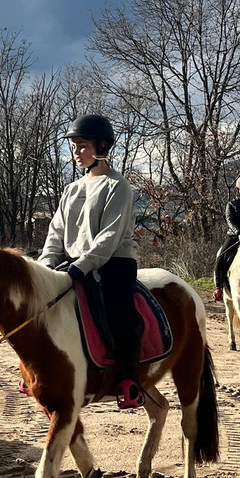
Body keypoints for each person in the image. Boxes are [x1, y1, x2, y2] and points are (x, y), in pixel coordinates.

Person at [38, 114, 143, 409]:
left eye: (82, 146)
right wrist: (46, 265)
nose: (76, 152)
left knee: (120, 313)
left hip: (113, 262)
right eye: (74, 146)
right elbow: (56, 232)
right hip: (72, 263)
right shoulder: (72, 189)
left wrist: (79, 268)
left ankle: (129, 379)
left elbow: (108, 238)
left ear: (102, 146)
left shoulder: (118, 187)